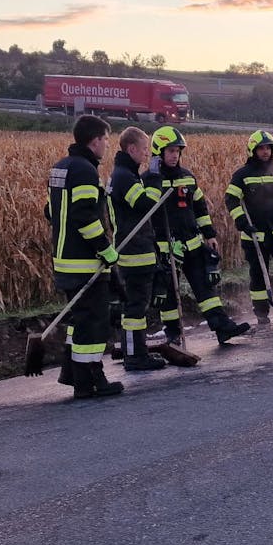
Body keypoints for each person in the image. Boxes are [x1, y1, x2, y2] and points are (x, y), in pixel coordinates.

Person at [143, 126, 251, 345]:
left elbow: (200, 208)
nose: (175, 155)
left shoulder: (187, 177)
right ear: (158, 152)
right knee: (170, 296)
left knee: (205, 289)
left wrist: (209, 234)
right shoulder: (149, 180)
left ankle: (222, 327)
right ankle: (173, 333)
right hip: (166, 248)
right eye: (170, 151)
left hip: (192, 243)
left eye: (177, 151)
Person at [46, 115, 123, 399]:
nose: (107, 145)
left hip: (63, 260)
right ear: (94, 141)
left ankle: (73, 373)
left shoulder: (61, 168)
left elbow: (51, 212)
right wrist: (106, 250)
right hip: (84, 262)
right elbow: (85, 216)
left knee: (79, 321)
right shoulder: (85, 171)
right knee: (93, 324)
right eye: (105, 139)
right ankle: (91, 380)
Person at [225, 130, 273, 326]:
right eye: (261, 148)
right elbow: (231, 200)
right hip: (255, 235)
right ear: (252, 150)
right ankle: (261, 312)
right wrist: (243, 223)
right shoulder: (242, 175)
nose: (265, 152)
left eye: (268, 148)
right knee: (258, 275)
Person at [106, 126, 167, 373]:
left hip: (132, 246)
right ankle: (135, 356)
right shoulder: (124, 176)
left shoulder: (124, 174)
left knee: (134, 306)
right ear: (131, 149)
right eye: (144, 149)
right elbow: (146, 205)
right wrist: (153, 179)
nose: (146, 154)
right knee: (135, 307)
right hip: (135, 251)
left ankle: (134, 351)